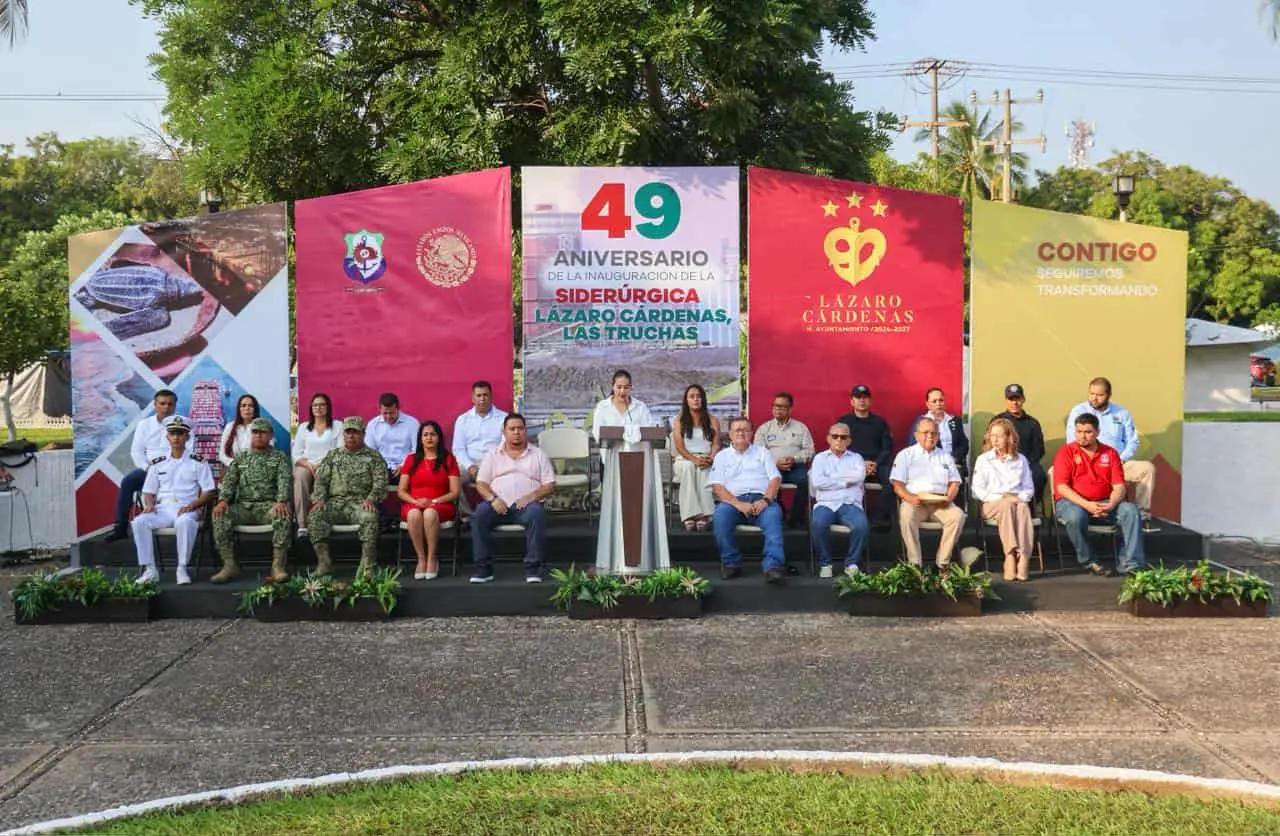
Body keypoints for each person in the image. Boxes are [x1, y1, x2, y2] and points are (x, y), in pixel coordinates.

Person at [1053, 413, 1146, 577]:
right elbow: (1062, 488)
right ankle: (1090, 561)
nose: (1082, 436)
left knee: (1130, 511)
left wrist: (1111, 503)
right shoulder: (1066, 452)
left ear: (1097, 432)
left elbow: (1119, 486)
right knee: (1075, 516)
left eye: (1087, 432)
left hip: (1104, 502)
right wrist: (1086, 504)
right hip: (1072, 502)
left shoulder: (1110, 453)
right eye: (1079, 431)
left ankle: (1130, 564)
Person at [470, 413, 556, 584]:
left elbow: (550, 485)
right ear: (504, 432)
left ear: (525, 431)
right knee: (479, 513)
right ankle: (484, 569)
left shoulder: (538, 454)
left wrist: (531, 496)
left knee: (536, 514)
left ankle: (533, 569)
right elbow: (481, 483)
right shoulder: (492, 455)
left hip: (526, 507)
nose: (516, 432)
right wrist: (493, 499)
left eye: (520, 428)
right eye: (512, 429)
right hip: (497, 505)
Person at [130, 417, 214, 585]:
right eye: (172, 433)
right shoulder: (158, 463)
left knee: (184, 522)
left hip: (188, 508)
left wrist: (193, 505)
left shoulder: (198, 462)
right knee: (139, 522)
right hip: (163, 509)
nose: (176, 437)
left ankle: (182, 568)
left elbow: (209, 491)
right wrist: (149, 505)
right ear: (167, 437)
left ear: (187, 437)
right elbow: (148, 491)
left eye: (180, 433)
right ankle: (150, 569)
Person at [211, 417, 292, 583]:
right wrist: (223, 500)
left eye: (263, 432)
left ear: (270, 435)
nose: (259, 435)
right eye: (255, 432)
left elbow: (284, 481)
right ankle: (229, 565)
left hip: (268, 507)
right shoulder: (241, 458)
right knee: (220, 515)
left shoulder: (279, 457)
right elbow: (229, 482)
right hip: (243, 507)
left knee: (282, 515)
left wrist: (281, 500)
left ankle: (277, 566)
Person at [1065, 377, 1156, 520]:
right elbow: (1072, 440)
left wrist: (1119, 460)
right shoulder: (1079, 410)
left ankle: (1141, 513)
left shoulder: (1122, 413)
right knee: (1054, 472)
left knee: (1147, 468)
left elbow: (1132, 441)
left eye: (1099, 395)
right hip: (1087, 465)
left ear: (1108, 395)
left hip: (1117, 464)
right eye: (1091, 394)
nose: (1094, 398)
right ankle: (1069, 515)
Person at [308, 416, 387, 577]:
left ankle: (368, 566)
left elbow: (381, 482)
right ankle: (324, 563)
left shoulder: (374, 457)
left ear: (363, 434)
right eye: (348, 433)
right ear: (343, 435)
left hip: (360, 504)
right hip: (335, 503)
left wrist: (371, 498)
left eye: (355, 433)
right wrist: (320, 499)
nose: (351, 436)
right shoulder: (333, 456)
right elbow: (320, 481)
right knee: (315, 515)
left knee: (370, 517)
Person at [709, 416, 786, 583]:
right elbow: (717, 487)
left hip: (762, 499)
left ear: (751, 433)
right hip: (733, 502)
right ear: (729, 434)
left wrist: (765, 500)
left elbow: (775, 479)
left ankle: (773, 566)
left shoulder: (762, 452)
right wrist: (738, 504)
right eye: (737, 430)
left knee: (773, 517)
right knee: (720, 517)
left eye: (745, 429)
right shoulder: (722, 456)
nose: (741, 433)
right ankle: (731, 563)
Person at [110, 389, 189, 540]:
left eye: (170, 404)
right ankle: (120, 527)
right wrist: (149, 469)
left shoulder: (182, 425)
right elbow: (137, 452)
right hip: (149, 469)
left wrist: (171, 468)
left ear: (175, 406)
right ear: (155, 405)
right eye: (162, 403)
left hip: (176, 470)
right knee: (128, 481)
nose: (166, 407)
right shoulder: (144, 425)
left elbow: (189, 450)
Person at [890, 417, 967, 571]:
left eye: (934, 433)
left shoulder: (945, 456)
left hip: (940, 503)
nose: (930, 436)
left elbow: (955, 482)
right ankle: (915, 563)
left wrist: (949, 497)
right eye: (925, 433)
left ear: (938, 436)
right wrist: (909, 498)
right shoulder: (905, 455)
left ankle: (942, 563)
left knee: (958, 516)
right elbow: (897, 484)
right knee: (906, 514)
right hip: (915, 501)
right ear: (916, 435)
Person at [971, 418, 1036, 582]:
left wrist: (1017, 498)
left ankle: (1023, 558)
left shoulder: (1020, 459)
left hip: (1015, 504)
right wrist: (1002, 498)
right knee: (1009, 505)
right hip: (990, 504)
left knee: (1022, 507)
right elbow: (977, 490)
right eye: (992, 436)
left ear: (1009, 437)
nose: (994, 439)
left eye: (999, 436)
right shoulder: (983, 459)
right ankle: (1010, 555)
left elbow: (1028, 489)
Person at [397, 420, 461, 580]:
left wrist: (434, 501)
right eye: (425, 435)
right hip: (414, 503)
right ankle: (421, 558)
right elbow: (401, 491)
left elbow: (455, 491)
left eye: (433, 434)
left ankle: (432, 558)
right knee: (413, 515)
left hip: (441, 504)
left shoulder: (448, 459)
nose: (429, 438)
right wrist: (415, 501)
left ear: (439, 437)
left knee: (430, 514)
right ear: (420, 439)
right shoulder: (411, 459)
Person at [809, 423, 870, 578]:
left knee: (861, 526)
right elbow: (817, 482)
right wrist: (845, 481)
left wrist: (831, 480)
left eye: (843, 437)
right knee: (817, 524)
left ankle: (852, 563)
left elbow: (859, 477)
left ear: (849, 440)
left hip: (850, 503)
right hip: (826, 504)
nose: (839, 440)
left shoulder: (856, 458)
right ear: (828, 438)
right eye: (835, 436)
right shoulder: (820, 458)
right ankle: (825, 563)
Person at [835, 384, 894, 530]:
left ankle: (879, 520)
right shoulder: (843, 422)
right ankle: (847, 517)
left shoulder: (880, 423)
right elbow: (839, 447)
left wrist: (875, 463)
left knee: (893, 481)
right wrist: (861, 464)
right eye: (858, 398)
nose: (862, 401)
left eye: (865, 398)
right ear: (852, 401)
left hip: (877, 465)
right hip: (851, 464)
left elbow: (887, 448)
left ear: (870, 401)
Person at [753, 392, 815, 529]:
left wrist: (794, 459)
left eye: (781, 406)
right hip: (772, 467)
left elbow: (810, 451)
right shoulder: (764, 429)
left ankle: (796, 518)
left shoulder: (801, 428)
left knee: (806, 480)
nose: (777, 409)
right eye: (775, 406)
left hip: (795, 466)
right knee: (769, 481)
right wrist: (775, 462)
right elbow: (757, 454)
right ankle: (780, 515)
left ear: (790, 409)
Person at [451, 380, 507, 513]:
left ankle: (496, 513)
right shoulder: (462, 419)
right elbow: (458, 449)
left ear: (491, 396)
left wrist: (488, 465)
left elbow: (505, 446)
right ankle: (467, 516)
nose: (482, 399)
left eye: (485, 395)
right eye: (479, 395)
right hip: (468, 464)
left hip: (494, 463)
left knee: (504, 480)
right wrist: (470, 466)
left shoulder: (504, 418)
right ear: (473, 398)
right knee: (452, 480)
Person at [671, 383, 721, 531]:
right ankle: (690, 515)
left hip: (706, 459)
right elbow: (680, 447)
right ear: (686, 400)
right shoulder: (679, 420)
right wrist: (694, 459)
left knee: (702, 470)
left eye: (699, 396)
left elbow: (716, 445)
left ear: (703, 399)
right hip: (684, 459)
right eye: (692, 397)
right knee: (689, 467)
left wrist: (710, 458)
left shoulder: (713, 420)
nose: (696, 400)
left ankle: (703, 516)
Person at [366, 392, 420, 531]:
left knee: (416, 481)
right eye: (385, 413)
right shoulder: (373, 425)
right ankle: (384, 519)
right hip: (381, 468)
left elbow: (417, 450)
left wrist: (404, 466)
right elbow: (369, 453)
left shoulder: (412, 424)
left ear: (398, 408)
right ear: (379, 409)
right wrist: (378, 467)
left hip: (404, 468)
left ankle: (408, 518)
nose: (389, 417)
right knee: (364, 481)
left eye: (392, 413)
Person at [291, 392, 341, 536]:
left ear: (328, 407)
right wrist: (308, 465)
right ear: (311, 408)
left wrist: (323, 465)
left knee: (324, 475)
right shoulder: (304, 427)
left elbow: (340, 451)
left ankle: (325, 521)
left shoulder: (337, 426)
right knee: (299, 477)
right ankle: (302, 524)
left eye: (322, 404)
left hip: (331, 465)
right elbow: (296, 453)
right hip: (307, 465)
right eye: (315, 405)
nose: (318, 407)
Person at [992, 383, 1047, 505]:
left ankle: (1030, 507)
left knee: (1039, 475)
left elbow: (1039, 449)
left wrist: (1025, 462)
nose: (1014, 403)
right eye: (1011, 399)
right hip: (1002, 461)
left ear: (1023, 399)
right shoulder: (998, 421)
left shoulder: (1032, 423)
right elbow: (990, 445)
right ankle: (1004, 506)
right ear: (1006, 401)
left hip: (1027, 462)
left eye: (1017, 399)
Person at [590, 369, 656, 460]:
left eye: (626, 387)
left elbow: (650, 431)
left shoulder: (641, 407)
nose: (622, 391)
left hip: (637, 459)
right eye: (619, 387)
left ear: (631, 388)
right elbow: (597, 433)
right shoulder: (602, 407)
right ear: (613, 387)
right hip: (611, 459)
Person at [909, 388, 970, 476]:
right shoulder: (921, 422)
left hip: (953, 463)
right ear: (928, 404)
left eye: (941, 400)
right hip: (929, 464)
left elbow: (963, 444)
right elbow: (913, 445)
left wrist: (953, 458)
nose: (938, 404)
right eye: (934, 401)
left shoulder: (955, 421)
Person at [218, 394, 261, 467]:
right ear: (239, 409)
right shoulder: (230, 427)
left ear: (255, 409)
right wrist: (234, 464)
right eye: (243, 405)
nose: (247, 408)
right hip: (234, 471)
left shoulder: (262, 427)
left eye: (250, 406)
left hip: (255, 472)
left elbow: (267, 453)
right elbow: (221, 454)